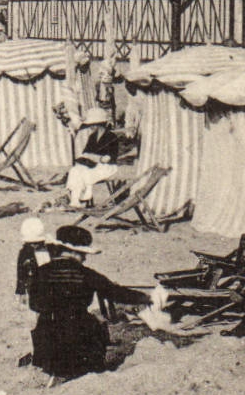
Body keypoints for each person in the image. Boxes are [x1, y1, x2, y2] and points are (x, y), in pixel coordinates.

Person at [26, 225, 151, 381]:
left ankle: (56, 371)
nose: (84, 258)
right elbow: (115, 292)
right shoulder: (86, 274)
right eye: (83, 254)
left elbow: (33, 304)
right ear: (75, 252)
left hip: (47, 340)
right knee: (92, 326)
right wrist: (145, 297)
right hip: (77, 335)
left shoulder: (41, 272)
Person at [66, 108, 122, 208]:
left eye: (92, 125)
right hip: (93, 164)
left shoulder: (111, 136)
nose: (90, 127)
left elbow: (109, 157)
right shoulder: (92, 136)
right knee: (75, 170)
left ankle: (87, 194)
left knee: (86, 173)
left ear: (99, 124)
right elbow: (86, 152)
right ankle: (75, 200)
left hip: (107, 167)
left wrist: (94, 157)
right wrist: (91, 157)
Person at [14, 217, 52, 298]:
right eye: (31, 244)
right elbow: (21, 271)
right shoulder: (24, 252)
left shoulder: (49, 250)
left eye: (37, 243)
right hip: (32, 283)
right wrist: (21, 290)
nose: (34, 246)